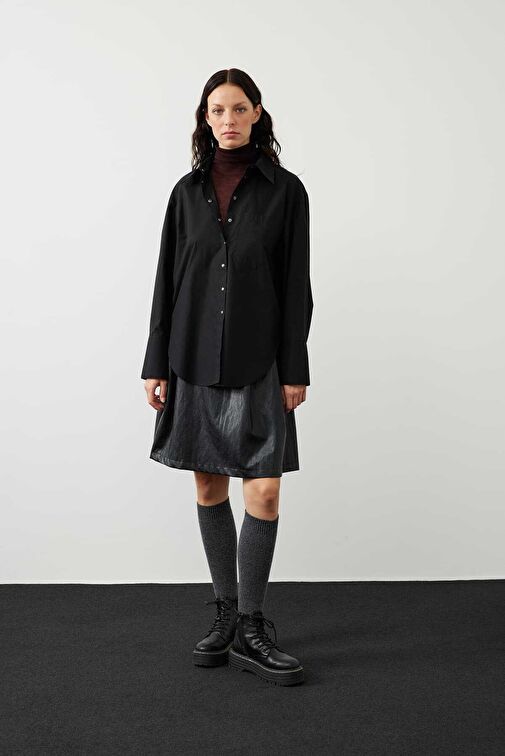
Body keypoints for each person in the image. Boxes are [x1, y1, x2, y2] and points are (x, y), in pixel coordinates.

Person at [141, 68, 313, 686]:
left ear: (257, 113)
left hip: (261, 361)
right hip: (191, 357)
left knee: (262, 492)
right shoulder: (185, 193)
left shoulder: (286, 192)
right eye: (217, 110)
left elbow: (296, 283)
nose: (228, 119)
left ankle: (251, 624)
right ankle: (225, 612)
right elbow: (167, 280)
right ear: (205, 118)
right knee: (209, 484)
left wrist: (295, 367)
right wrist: (154, 363)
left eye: (239, 108)